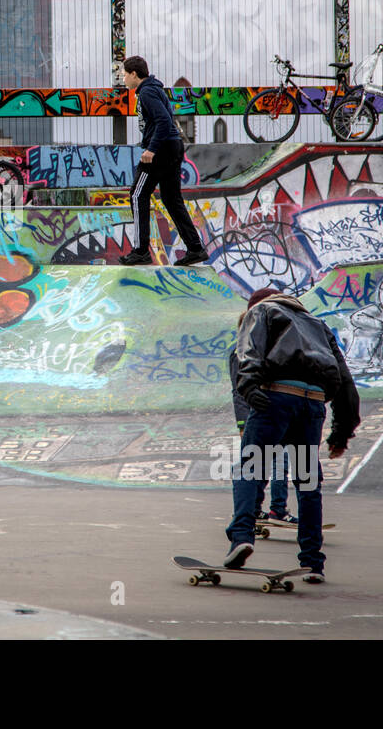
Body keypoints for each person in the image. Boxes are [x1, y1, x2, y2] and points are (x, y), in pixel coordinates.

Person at [223, 287, 360, 583]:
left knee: (250, 469)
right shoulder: (317, 324)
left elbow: (249, 350)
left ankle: (242, 537)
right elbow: (346, 381)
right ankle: (313, 561)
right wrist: (341, 433)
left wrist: (249, 387)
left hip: (276, 398)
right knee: (308, 484)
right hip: (312, 404)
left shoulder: (260, 311)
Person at [117, 56, 207, 266]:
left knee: (138, 194)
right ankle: (195, 248)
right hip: (173, 146)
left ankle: (140, 251)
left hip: (162, 149)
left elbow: (164, 121)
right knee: (171, 199)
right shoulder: (153, 89)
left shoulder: (147, 92)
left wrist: (151, 149)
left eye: (124, 75)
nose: (123, 79)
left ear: (134, 74)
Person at [229, 341, 295, 524]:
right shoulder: (239, 351)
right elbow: (238, 390)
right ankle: (255, 510)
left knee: (278, 462)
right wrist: (242, 423)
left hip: (275, 413)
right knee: (259, 465)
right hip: (256, 417)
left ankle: (272, 509)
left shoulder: (267, 346)